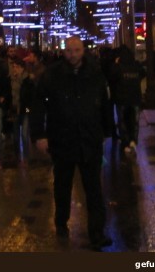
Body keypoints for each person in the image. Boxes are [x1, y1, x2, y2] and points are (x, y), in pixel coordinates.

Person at [31, 36, 113, 251]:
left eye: (76, 50)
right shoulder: (52, 74)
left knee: (94, 189)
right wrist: (39, 134)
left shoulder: (95, 73)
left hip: (89, 139)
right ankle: (60, 223)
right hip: (63, 139)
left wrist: (107, 131)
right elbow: (38, 104)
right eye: (69, 50)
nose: (73, 54)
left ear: (83, 50)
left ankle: (97, 233)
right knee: (62, 186)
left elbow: (105, 103)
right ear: (64, 51)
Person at [109, 46, 146, 154]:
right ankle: (133, 140)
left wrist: (116, 64)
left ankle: (125, 142)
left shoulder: (118, 66)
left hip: (121, 98)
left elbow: (111, 77)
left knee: (122, 121)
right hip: (135, 97)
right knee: (134, 121)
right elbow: (143, 73)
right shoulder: (136, 65)